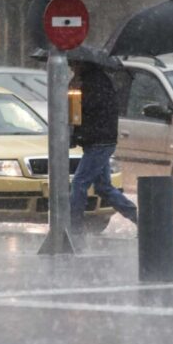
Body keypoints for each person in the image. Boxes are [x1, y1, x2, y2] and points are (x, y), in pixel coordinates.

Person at [69, 61, 137, 236]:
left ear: (84, 64)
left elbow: (81, 111)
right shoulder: (95, 80)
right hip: (99, 140)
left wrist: (74, 91)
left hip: (99, 142)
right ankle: (138, 218)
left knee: (79, 183)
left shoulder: (94, 83)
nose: (71, 67)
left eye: (73, 64)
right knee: (103, 186)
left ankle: (73, 226)